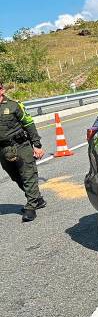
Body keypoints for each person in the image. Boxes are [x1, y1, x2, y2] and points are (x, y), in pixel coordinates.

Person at [0, 81, 46, 222]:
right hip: (3, 149)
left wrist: (36, 145)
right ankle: (37, 199)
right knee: (15, 177)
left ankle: (31, 207)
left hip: (20, 145)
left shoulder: (14, 105)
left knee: (28, 175)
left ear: (1, 89)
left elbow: (29, 124)